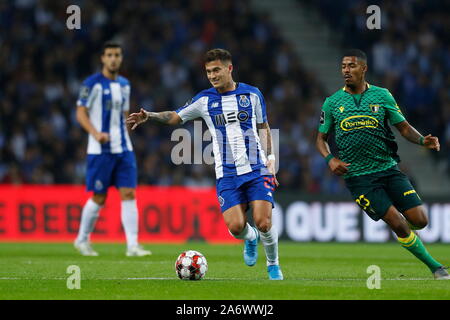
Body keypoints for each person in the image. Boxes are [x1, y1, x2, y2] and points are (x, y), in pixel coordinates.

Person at [127, 48, 283, 280]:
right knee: (236, 227)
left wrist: (271, 160)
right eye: (209, 71)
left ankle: (273, 265)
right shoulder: (204, 100)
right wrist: (149, 116)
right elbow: (174, 116)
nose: (212, 75)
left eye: (217, 70)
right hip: (227, 174)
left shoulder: (252, 95)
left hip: (256, 170)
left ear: (229, 69)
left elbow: (264, 127)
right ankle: (250, 239)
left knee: (263, 221)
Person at [316, 49, 449, 279]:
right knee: (396, 221)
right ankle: (436, 267)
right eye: (343, 66)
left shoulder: (382, 96)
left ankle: (409, 234)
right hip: (359, 178)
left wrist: (421, 140)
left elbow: (404, 127)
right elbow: (320, 139)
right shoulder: (332, 103)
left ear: (364, 68)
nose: (346, 70)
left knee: (420, 220)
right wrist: (330, 159)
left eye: (352, 66)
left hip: (388, 169)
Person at [74, 41, 151, 257]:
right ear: (102, 58)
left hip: (124, 147)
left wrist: (133, 121)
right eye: (109, 55)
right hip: (100, 150)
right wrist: (96, 133)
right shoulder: (92, 84)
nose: (114, 59)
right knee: (99, 197)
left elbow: (123, 114)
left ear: (121, 58)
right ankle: (82, 239)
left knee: (128, 193)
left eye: (117, 54)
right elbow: (80, 113)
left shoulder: (125, 84)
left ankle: (133, 246)